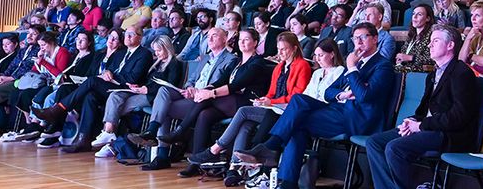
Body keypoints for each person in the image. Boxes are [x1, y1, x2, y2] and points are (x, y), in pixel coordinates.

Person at [235, 23, 396, 189]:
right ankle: (285, 180)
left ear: (375, 38)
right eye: (355, 38)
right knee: (298, 103)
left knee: (296, 122)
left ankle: (273, 152)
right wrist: (341, 94)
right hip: (340, 110)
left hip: (359, 119)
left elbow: (364, 96)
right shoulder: (357, 62)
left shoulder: (382, 66)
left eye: (363, 37)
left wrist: (352, 68)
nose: (358, 42)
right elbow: (329, 92)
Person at [185, 33, 321, 186]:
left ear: (294, 49)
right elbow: (271, 91)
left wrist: (271, 101)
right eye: (278, 49)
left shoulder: (301, 65)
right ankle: (234, 168)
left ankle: (215, 149)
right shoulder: (279, 67)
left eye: (284, 49)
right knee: (245, 124)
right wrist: (263, 100)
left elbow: (297, 95)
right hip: (273, 107)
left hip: (287, 111)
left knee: (243, 112)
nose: (281, 52)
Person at [366, 25, 481, 189]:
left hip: (449, 134)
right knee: (374, 142)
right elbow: (423, 111)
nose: (429, 45)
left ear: (450, 45)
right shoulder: (433, 74)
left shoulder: (461, 73)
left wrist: (420, 125)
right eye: (430, 41)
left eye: (435, 41)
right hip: (429, 128)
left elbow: (459, 116)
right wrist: (411, 121)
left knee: (395, 148)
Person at [148, 29, 269, 173]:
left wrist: (210, 93)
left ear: (255, 42)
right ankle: (195, 163)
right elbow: (221, 80)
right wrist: (207, 90)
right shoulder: (237, 61)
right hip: (230, 101)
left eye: (247, 39)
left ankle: (180, 131)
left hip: (247, 103)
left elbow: (236, 85)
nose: (242, 42)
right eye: (240, 39)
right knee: (204, 115)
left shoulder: (257, 63)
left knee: (208, 99)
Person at [31, 26, 154, 152]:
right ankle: (83, 140)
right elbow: (110, 69)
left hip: (124, 89)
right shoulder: (123, 53)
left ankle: (58, 109)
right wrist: (107, 72)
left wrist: (111, 76)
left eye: (131, 34)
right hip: (111, 85)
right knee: (90, 96)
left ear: (140, 37)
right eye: (126, 33)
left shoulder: (144, 53)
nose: (127, 37)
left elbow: (133, 78)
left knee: (92, 81)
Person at [89, 35, 186, 156]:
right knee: (115, 95)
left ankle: (112, 141)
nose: (157, 53)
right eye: (155, 50)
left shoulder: (174, 63)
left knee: (116, 109)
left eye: (159, 50)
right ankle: (109, 134)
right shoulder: (157, 64)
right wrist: (136, 86)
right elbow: (148, 81)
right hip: (142, 91)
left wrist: (147, 89)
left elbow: (170, 84)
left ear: (167, 48)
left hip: (154, 95)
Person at [397, 4, 436, 73]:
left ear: (428, 18)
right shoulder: (412, 35)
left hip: (420, 73)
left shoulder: (432, 36)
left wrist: (411, 58)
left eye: (419, 14)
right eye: (413, 14)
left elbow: (433, 58)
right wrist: (400, 58)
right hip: (406, 69)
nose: (414, 17)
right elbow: (404, 51)